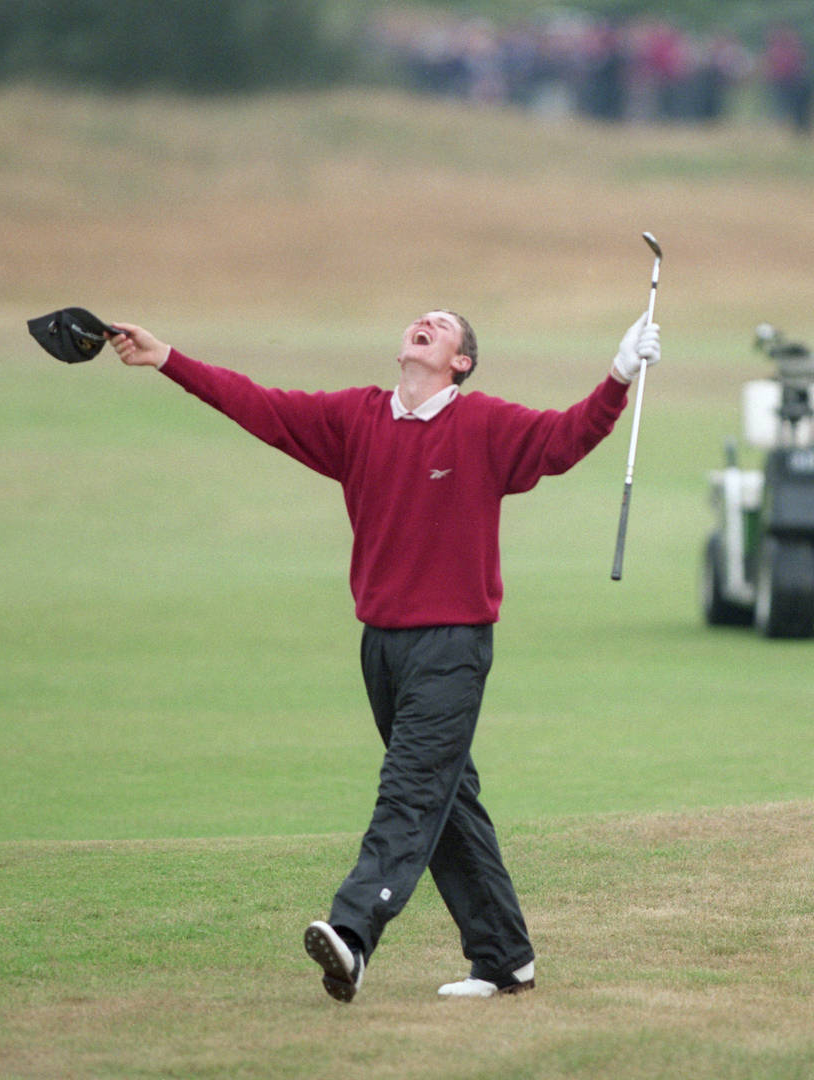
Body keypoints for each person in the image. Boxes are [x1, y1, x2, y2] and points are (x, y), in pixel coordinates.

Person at [108, 309, 660, 999]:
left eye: (443, 324)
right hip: (382, 647)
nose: (424, 323)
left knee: (409, 792)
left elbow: (565, 438)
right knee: (448, 801)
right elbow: (257, 405)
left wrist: (617, 374)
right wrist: (167, 358)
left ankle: (355, 932)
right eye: (419, 319)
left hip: (452, 646)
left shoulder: (485, 424)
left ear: (461, 362)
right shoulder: (355, 420)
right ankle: (504, 957)